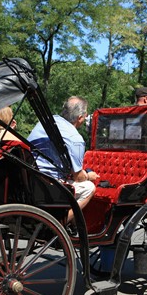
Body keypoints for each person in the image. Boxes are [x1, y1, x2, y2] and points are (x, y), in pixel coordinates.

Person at [28, 96, 100, 224]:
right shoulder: (75, 138)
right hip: (49, 184)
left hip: (30, 176)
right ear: (80, 118)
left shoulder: (44, 123)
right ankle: (60, 223)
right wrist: (89, 176)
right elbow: (78, 177)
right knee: (89, 188)